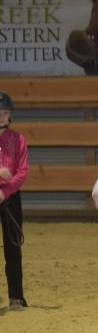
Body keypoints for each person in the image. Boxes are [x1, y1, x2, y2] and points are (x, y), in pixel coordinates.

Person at [0, 92, 28, 315]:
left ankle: (16, 296)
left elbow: (22, 171)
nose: (1, 116)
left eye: (5, 112)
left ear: (10, 115)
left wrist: (5, 191)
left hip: (10, 198)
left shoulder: (18, 140)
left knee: (13, 246)